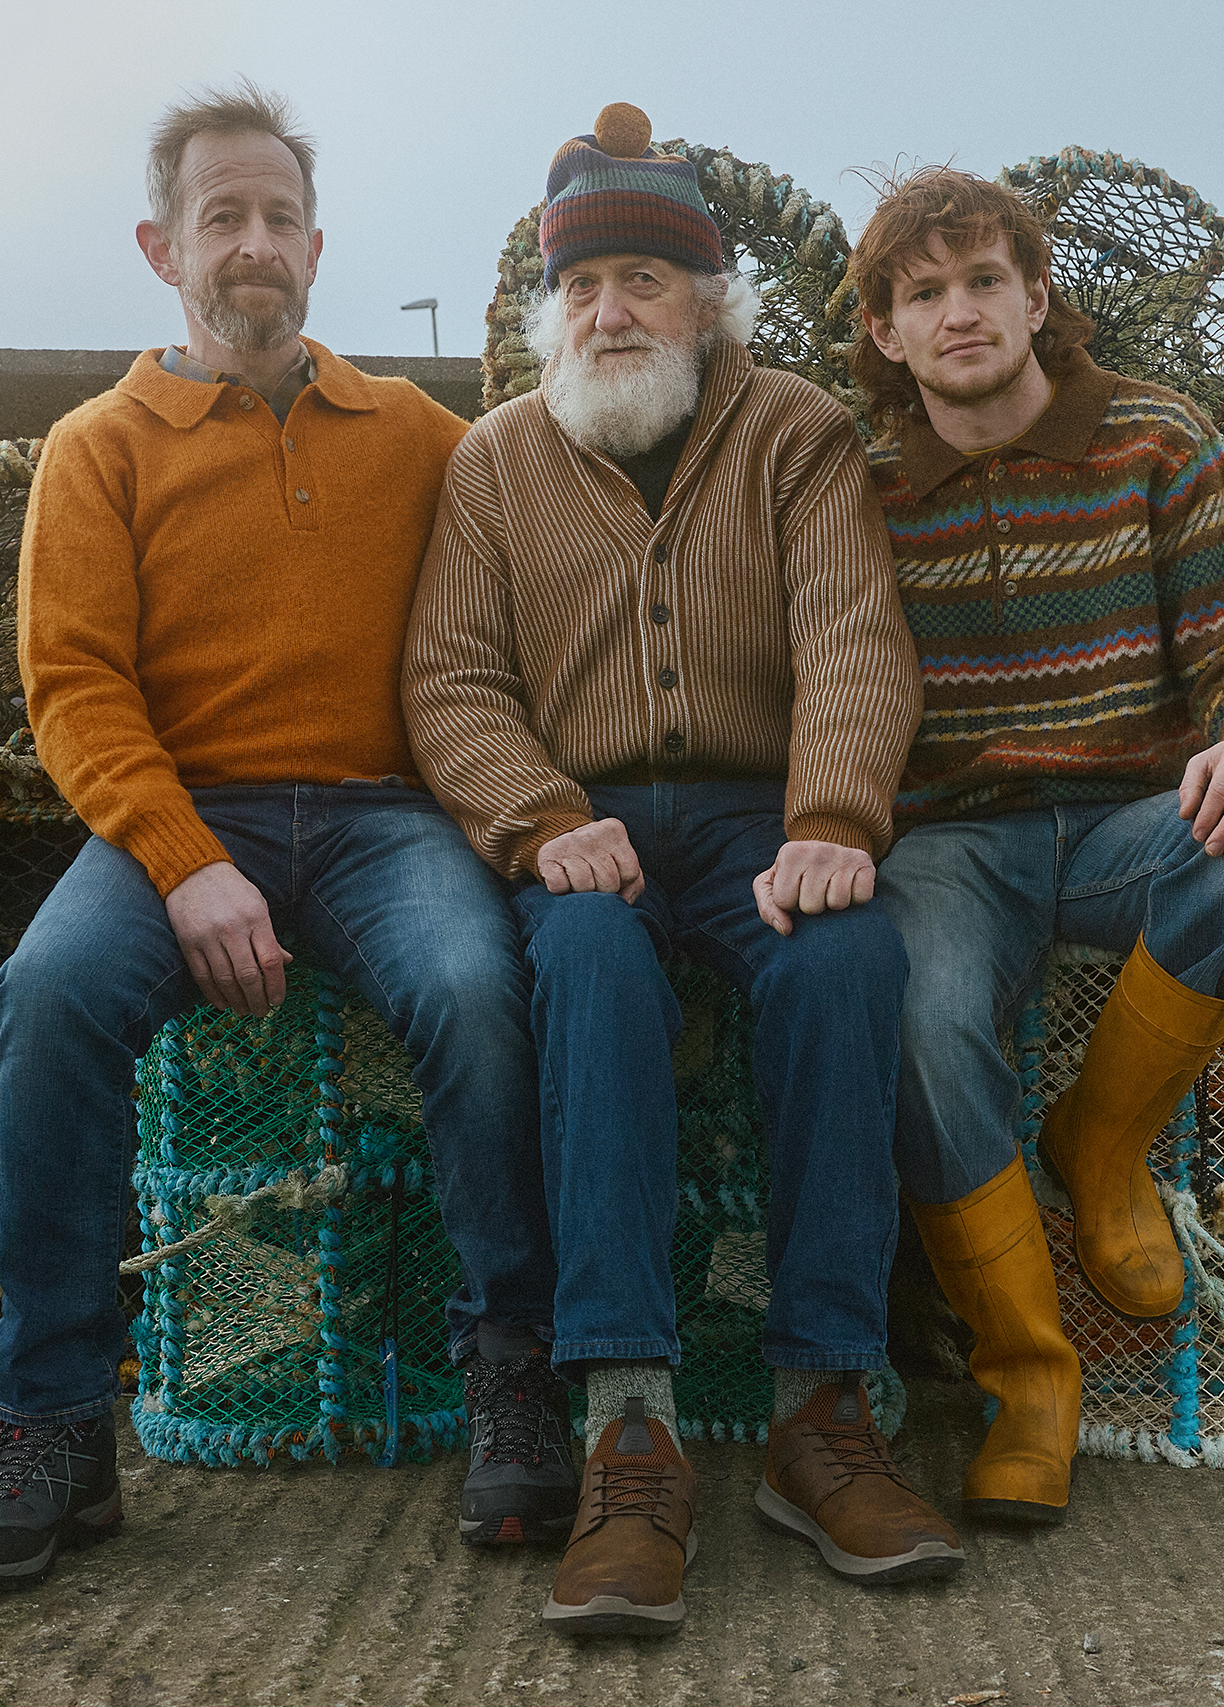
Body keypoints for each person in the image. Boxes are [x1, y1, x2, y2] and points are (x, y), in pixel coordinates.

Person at [0, 82, 574, 1589]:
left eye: (279, 217)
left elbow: (513, 612)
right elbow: (71, 684)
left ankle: (515, 1376)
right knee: (51, 995)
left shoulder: (416, 435)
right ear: (163, 248)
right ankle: (54, 1427)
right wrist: (184, 860)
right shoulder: (99, 446)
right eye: (224, 217)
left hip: (387, 819)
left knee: (478, 988)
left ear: (318, 244)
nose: (255, 244)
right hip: (180, 816)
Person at [403, 104, 960, 1639]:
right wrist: (535, 818)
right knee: (580, 960)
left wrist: (836, 819)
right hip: (578, 815)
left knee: (848, 960)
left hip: (756, 812)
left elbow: (856, 629)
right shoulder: (496, 460)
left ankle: (819, 1412)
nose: (612, 311)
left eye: (646, 280)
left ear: (710, 300)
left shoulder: (794, 432)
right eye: (584, 287)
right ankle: (627, 1433)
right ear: (549, 312)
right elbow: (450, 682)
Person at [849, 167, 1224, 1525]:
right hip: (951, 841)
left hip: (1131, 822)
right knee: (923, 1015)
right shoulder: (861, 482)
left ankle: (1102, 1144)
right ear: (886, 331)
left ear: (1037, 293)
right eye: (923, 293)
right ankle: (1029, 1382)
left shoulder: (1154, 437)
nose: (958, 313)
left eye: (983, 280)